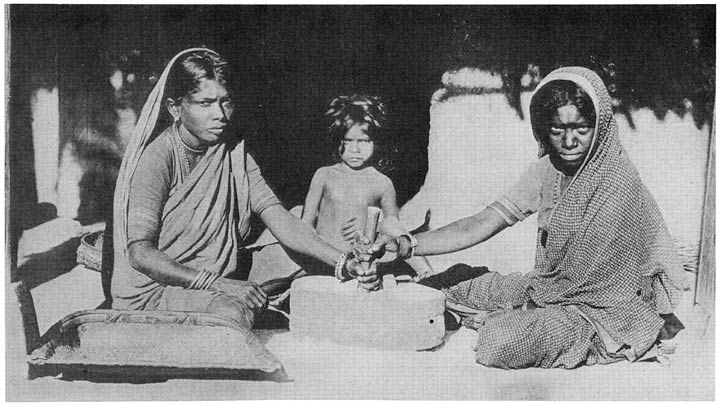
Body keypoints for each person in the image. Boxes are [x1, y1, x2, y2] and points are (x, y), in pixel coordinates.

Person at [373, 66, 689, 369]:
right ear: (543, 128)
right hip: (549, 290)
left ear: (601, 126)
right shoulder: (549, 169)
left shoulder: (616, 182)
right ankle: (502, 313)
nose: (569, 142)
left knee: (499, 340)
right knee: (451, 285)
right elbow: (484, 221)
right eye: (557, 129)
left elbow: (605, 286)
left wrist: (523, 312)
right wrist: (407, 246)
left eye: (581, 128)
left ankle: (518, 324)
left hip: (600, 314)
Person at [111, 48, 378, 330]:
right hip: (160, 289)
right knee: (231, 314)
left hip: (219, 277)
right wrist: (218, 285)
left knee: (310, 254)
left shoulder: (231, 152)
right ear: (175, 108)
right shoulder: (158, 158)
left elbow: (280, 218)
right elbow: (140, 253)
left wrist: (345, 262)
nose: (220, 115)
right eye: (205, 103)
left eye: (225, 102)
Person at [301, 94, 434, 279]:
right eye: (347, 141)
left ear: (376, 141)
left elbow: (392, 227)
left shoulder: (382, 182)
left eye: (363, 141)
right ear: (337, 140)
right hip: (327, 260)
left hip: (365, 261)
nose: (355, 149)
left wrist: (366, 231)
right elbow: (306, 224)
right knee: (294, 217)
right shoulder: (324, 175)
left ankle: (428, 274)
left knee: (393, 225)